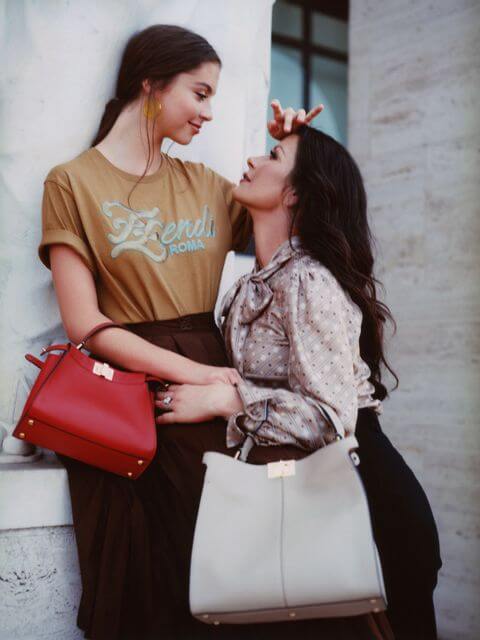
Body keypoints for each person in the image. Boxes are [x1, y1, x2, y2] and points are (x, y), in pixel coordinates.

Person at [38, 24, 324, 640]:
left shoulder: (207, 187)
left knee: (229, 562)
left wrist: (293, 153)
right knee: (143, 580)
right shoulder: (72, 183)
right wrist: (199, 375)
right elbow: (85, 323)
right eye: (200, 93)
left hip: (210, 400)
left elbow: (290, 243)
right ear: (151, 85)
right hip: (130, 393)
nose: (209, 112)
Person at [156, 128, 443, 640]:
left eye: (272, 155)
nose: (251, 160)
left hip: (369, 501)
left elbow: (332, 419)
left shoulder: (309, 280)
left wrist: (230, 399)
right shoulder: (252, 285)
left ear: (293, 193)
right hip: (312, 488)